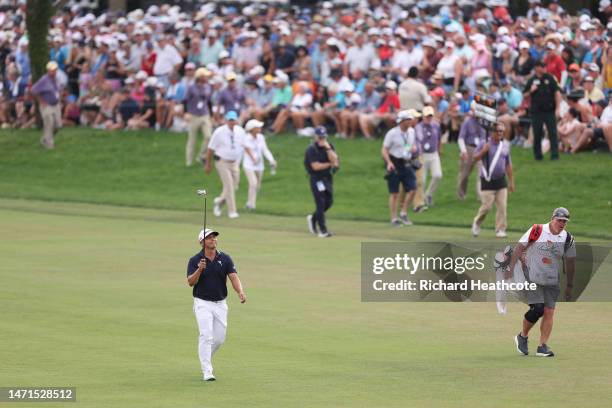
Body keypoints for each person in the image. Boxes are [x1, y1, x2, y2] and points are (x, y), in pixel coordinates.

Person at [509, 208, 576, 357]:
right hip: (531, 276)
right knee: (538, 309)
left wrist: (570, 285)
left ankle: (542, 346)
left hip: (551, 279)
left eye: (564, 221)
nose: (562, 223)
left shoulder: (567, 238)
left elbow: (570, 262)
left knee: (549, 312)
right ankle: (523, 336)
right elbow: (519, 247)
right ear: (552, 218)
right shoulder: (537, 230)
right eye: (559, 220)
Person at [187, 228, 246, 381]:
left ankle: (204, 357)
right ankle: (207, 371)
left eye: (214, 237)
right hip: (202, 303)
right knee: (206, 335)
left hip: (220, 304)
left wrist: (240, 291)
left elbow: (233, 277)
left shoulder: (225, 258)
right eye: (209, 238)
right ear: (202, 242)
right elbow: (190, 282)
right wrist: (200, 269)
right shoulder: (195, 260)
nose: (213, 239)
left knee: (219, 339)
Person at [471, 122, 515, 238]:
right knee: (487, 207)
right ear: (492, 132)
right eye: (498, 131)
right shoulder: (484, 143)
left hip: (501, 180)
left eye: (502, 131)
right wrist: (483, 151)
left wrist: (511, 182)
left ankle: (500, 229)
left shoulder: (504, 146)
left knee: (502, 206)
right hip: (487, 180)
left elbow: (508, 165)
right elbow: (475, 158)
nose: (500, 133)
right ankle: (477, 222)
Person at [206, 111, 251, 219]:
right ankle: (232, 212)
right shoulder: (219, 132)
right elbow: (210, 149)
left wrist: (252, 157)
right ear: (226, 120)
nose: (232, 122)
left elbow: (244, 145)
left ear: (236, 120)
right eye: (230, 120)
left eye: (233, 120)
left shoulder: (240, 131)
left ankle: (219, 201)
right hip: (221, 161)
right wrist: (208, 164)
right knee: (229, 186)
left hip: (234, 162)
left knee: (234, 186)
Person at [381, 110, 418, 226]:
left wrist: (413, 149)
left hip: (406, 162)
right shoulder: (392, 133)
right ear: (402, 121)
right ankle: (393, 218)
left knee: (412, 189)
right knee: (394, 193)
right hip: (394, 163)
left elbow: (411, 144)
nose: (411, 121)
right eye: (408, 119)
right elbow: (384, 149)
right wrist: (388, 162)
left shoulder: (412, 131)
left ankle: (403, 212)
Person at [304, 126, 339, 238]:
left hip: (327, 178)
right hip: (316, 178)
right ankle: (323, 231)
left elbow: (336, 162)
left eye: (323, 137)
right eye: (319, 137)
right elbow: (316, 166)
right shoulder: (311, 149)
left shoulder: (329, 146)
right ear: (315, 137)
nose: (321, 139)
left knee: (329, 202)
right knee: (320, 203)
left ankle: (313, 218)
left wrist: (328, 148)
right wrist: (330, 164)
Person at [523, 60, 562, 160]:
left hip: (549, 110)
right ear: (536, 68)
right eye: (541, 66)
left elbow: (556, 93)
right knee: (537, 133)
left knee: (552, 133)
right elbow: (524, 94)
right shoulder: (531, 80)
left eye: (544, 66)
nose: (544, 68)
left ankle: (554, 155)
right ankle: (538, 155)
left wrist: (558, 108)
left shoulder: (550, 78)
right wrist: (531, 91)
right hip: (537, 111)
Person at [242, 119, 277, 211]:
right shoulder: (246, 138)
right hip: (248, 165)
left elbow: (265, 150)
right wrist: (253, 158)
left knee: (257, 186)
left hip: (259, 166)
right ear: (252, 129)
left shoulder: (261, 137)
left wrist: (271, 160)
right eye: (258, 127)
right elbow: (247, 149)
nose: (260, 128)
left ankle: (249, 203)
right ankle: (251, 205)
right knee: (253, 183)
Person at [414, 106, 443, 208]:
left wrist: (440, 150)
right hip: (423, 155)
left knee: (437, 175)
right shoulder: (418, 127)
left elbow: (439, 139)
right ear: (423, 116)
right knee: (422, 180)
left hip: (434, 153)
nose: (428, 118)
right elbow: (417, 141)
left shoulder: (436, 126)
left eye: (430, 116)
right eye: (427, 116)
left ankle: (429, 194)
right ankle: (420, 201)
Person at [185, 68, 213, 167]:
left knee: (208, 136)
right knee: (192, 139)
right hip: (194, 114)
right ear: (200, 77)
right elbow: (186, 100)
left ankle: (201, 155)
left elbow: (209, 102)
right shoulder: (191, 87)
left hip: (205, 114)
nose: (207, 77)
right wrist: (187, 112)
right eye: (205, 76)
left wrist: (212, 115)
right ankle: (189, 161)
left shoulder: (208, 87)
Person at [457, 104, 486, 200]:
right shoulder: (467, 122)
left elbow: (484, 137)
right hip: (469, 148)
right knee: (465, 174)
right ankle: (461, 194)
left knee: (481, 173)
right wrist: (463, 151)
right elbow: (461, 138)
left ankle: (481, 195)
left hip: (480, 148)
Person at [31, 61, 62, 149]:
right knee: (49, 123)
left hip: (56, 104)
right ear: (48, 70)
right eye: (52, 70)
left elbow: (57, 90)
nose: (54, 71)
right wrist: (41, 101)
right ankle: (49, 144)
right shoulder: (44, 80)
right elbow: (33, 90)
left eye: (55, 70)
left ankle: (45, 138)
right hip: (47, 105)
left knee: (58, 125)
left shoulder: (56, 79)